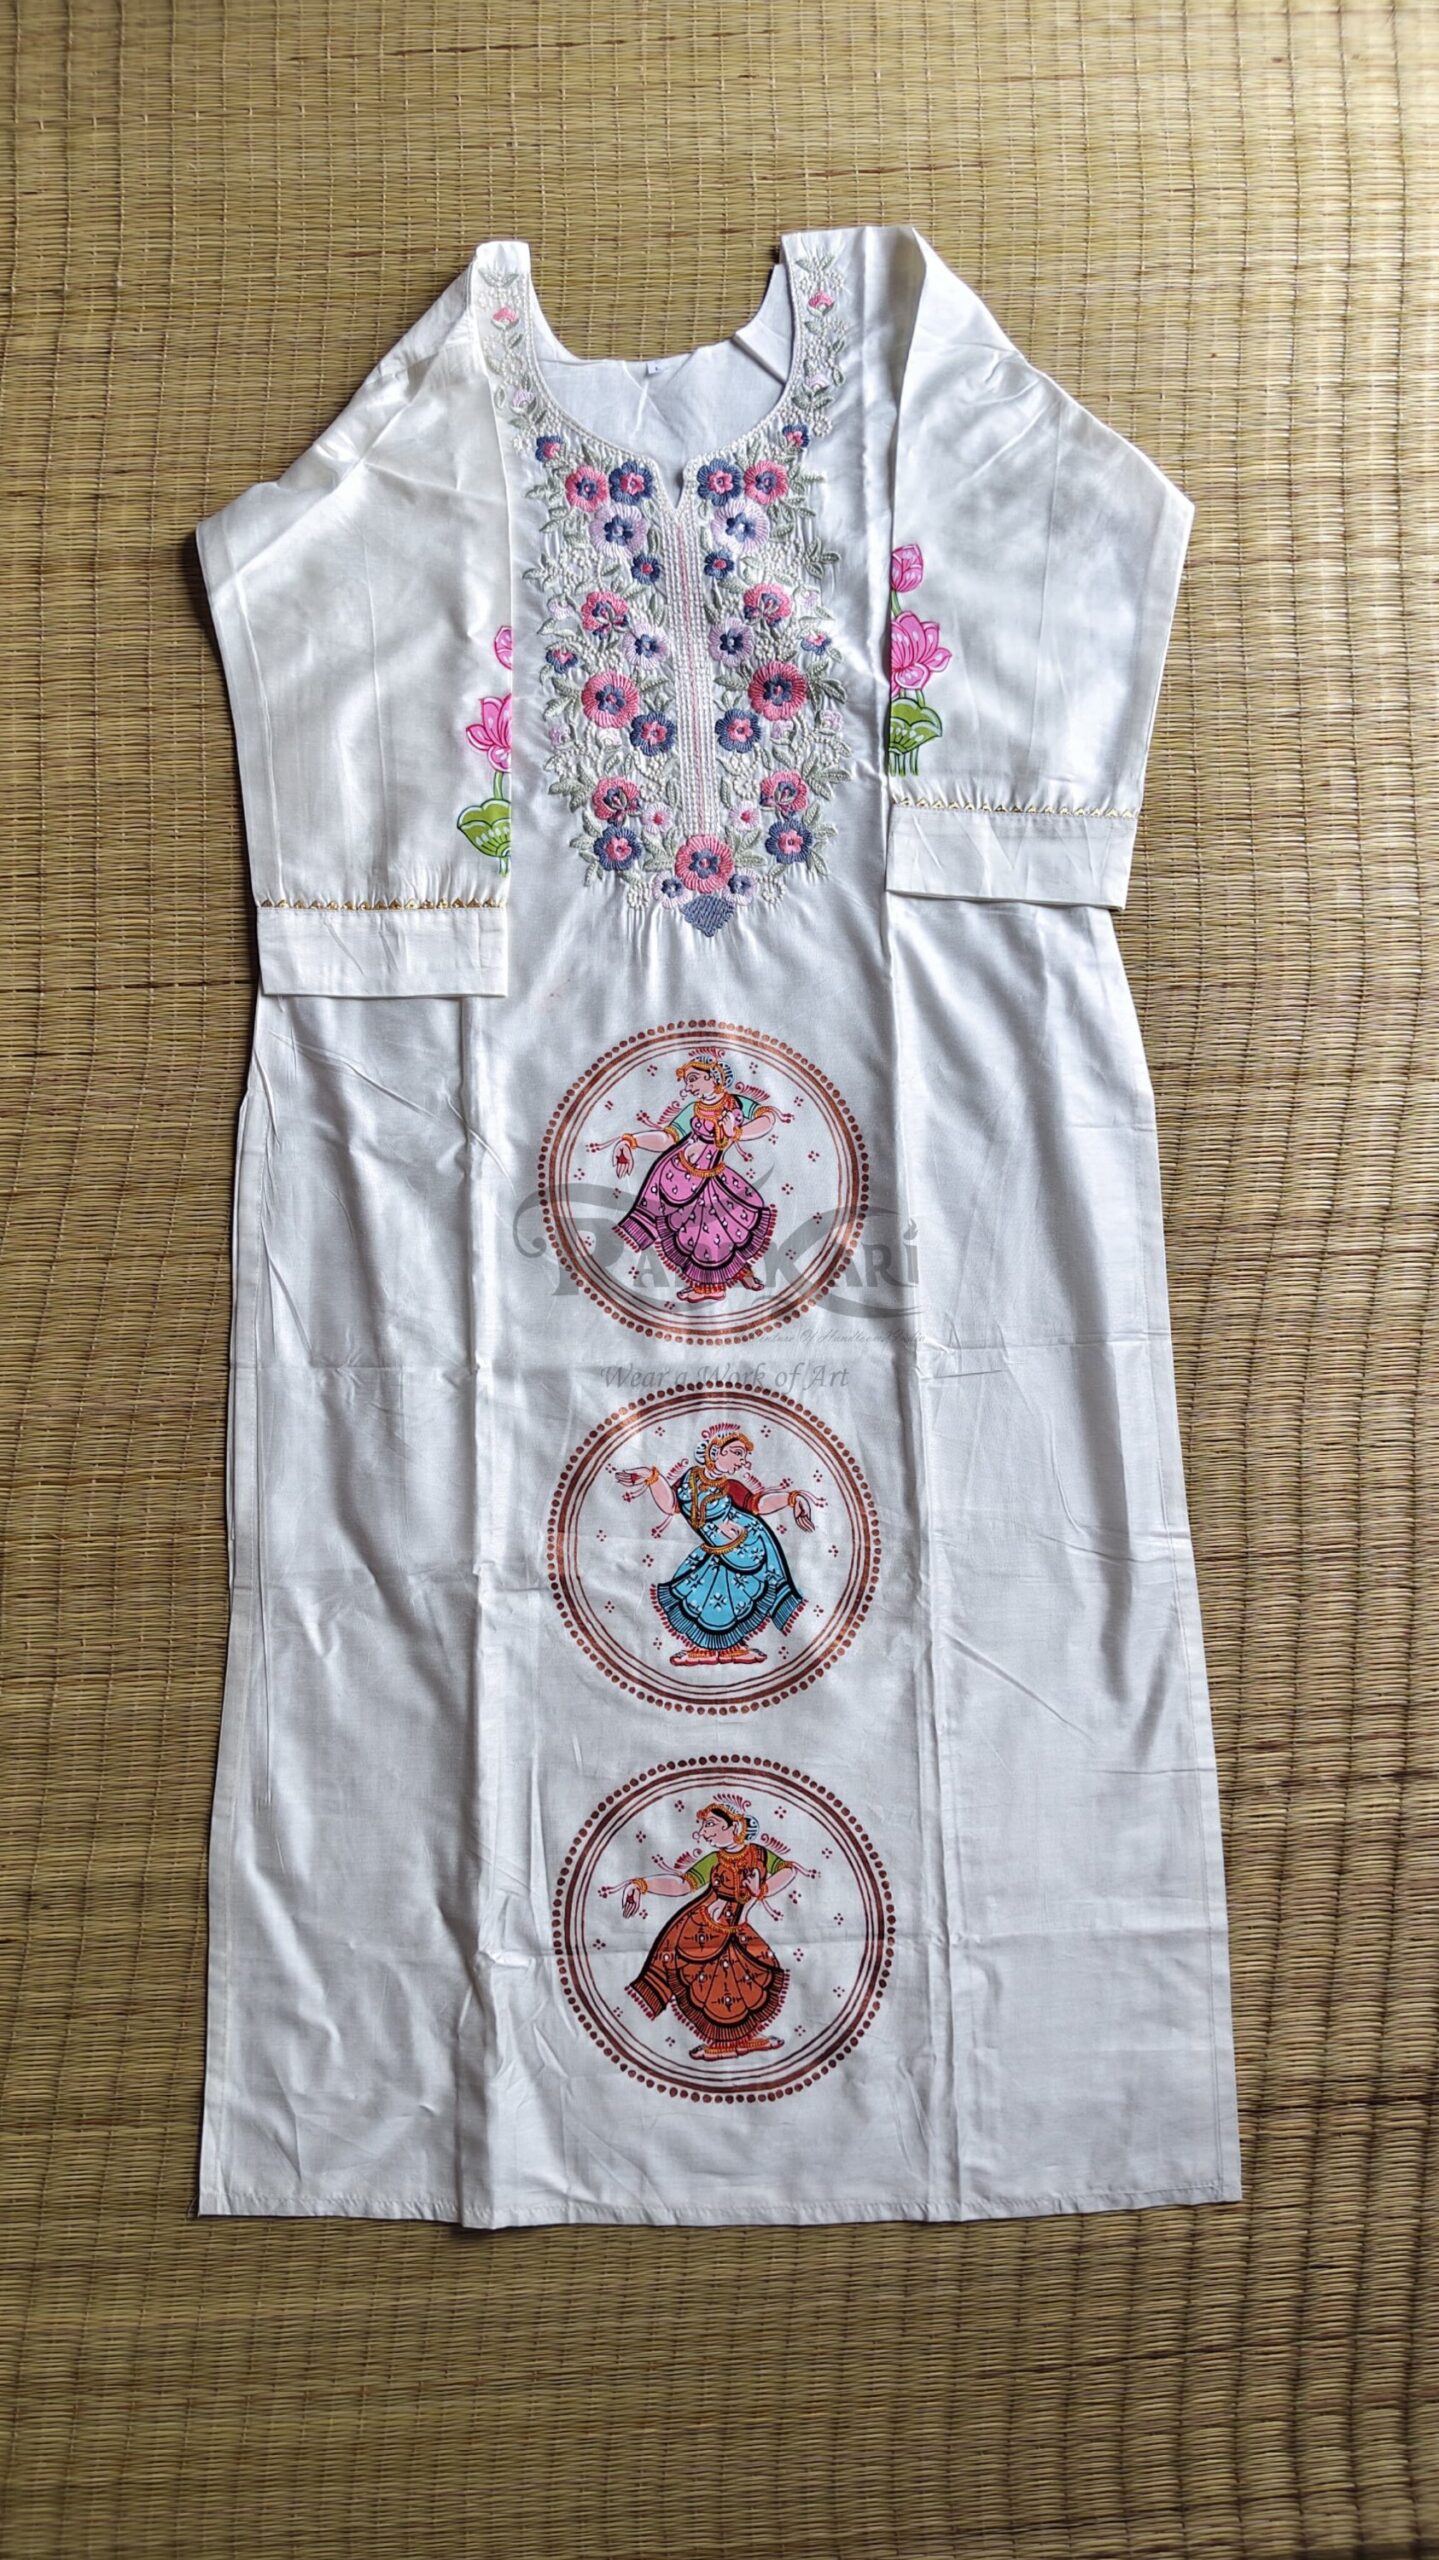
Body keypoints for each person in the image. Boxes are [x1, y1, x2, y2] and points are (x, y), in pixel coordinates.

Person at [608, 1801, 797, 2060]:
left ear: (735, 1827)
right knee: (713, 1983)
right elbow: (682, 1885)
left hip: (736, 1926)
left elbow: (788, 1870)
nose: (703, 1832)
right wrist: (641, 1885)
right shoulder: (714, 1860)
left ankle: (745, 2040)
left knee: (755, 1972)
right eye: (703, 1826)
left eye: (710, 1825)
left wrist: (761, 1890)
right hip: (703, 1931)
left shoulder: (760, 1855)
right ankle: (721, 2044)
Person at [616, 1423, 815, 1665]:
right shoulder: (689, 1479)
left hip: (745, 1549)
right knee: (704, 1596)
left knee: (731, 1599)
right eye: (738, 1453)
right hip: (717, 1552)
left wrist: (792, 1499)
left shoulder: (730, 1487)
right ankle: (706, 1650)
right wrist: (651, 1477)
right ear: (715, 1451)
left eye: (744, 1456)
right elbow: (671, 1505)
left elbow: (758, 1504)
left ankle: (731, 1649)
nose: (742, 1462)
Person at [612, 1053, 786, 1303]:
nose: (689, 1086)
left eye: (693, 1078)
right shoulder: (693, 1110)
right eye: (687, 1081)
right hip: (678, 1177)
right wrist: (631, 1142)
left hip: (710, 1176)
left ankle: (716, 1284)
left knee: (716, 1227)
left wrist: (736, 1132)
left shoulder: (736, 1103)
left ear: (713, 1077)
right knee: (706, 1229)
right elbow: (667, 1138)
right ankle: (726, 1278)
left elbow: (767, 1119)